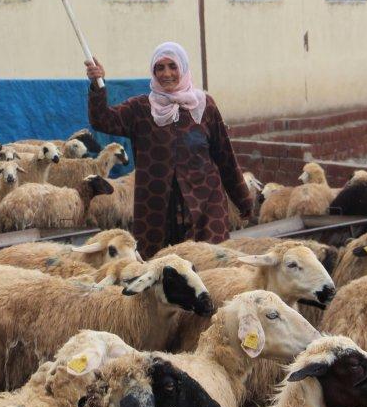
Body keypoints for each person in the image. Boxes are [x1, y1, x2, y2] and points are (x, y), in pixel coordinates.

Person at [86, 41, 254, 257]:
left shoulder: (205, 106)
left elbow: (225, 157)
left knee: (210, 266)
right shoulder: (140, 109)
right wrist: (97, 85)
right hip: (157, 211)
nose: (167, 74)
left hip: (205, 206)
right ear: (153, 72)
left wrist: (243, 200)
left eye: (172, 66)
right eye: (160, 68)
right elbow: (102, 120)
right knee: (161, 271)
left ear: (183, 68)